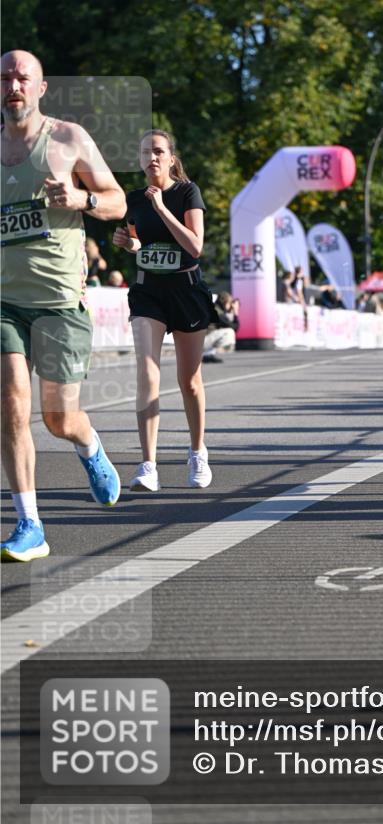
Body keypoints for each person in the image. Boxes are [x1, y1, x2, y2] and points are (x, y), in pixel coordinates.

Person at [1, 50, 126, 562]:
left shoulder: (68, 139)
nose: (13, 85)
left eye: (22, 77)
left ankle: (88, 443)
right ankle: (29, 523)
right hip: (5, 302)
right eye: (5, 77)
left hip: (59, 302)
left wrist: (81, 202)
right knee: (10, 402)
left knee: (57, 418)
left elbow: (118, 198)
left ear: (41, 87)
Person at [112, 129, 215, 492]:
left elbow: (195, 245)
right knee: (148, 373)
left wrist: (161, 209)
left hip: (186, 290)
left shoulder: (187, 192)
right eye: (145, 153)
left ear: (172, 158)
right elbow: (141, 243)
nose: (151, 158)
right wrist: (129, 243)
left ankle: (197, 451)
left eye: (158, 151)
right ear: (140, 160)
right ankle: (148, 464)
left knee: (189, 381)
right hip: (148, 291)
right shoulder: (133, 198)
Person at [202, 290, 239, 362]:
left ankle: (208, 355)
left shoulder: (215, 308)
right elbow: (235, 327)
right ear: (224, 302)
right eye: (229, 303)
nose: (230, 305)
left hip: (201, 339)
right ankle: (212, 351)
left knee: (223, 330)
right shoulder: (217, 312)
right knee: (229, 331)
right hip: (203, 341)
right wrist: (235, 312)